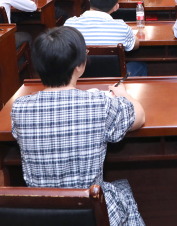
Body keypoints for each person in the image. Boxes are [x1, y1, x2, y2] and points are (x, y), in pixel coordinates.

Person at [10, 26, 145, 226]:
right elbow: (139, 117)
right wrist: (124, 94)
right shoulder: (100, 103)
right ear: (80, 66)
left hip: (42, 215)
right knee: (122, 191)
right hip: (91, 212)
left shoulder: (19, 107)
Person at [64, 0, 148, 76]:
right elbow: (135, 45)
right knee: (141, 65)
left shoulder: (69, 24)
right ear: (116, 6)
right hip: (114, 82)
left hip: (79, 78)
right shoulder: (121, 28)